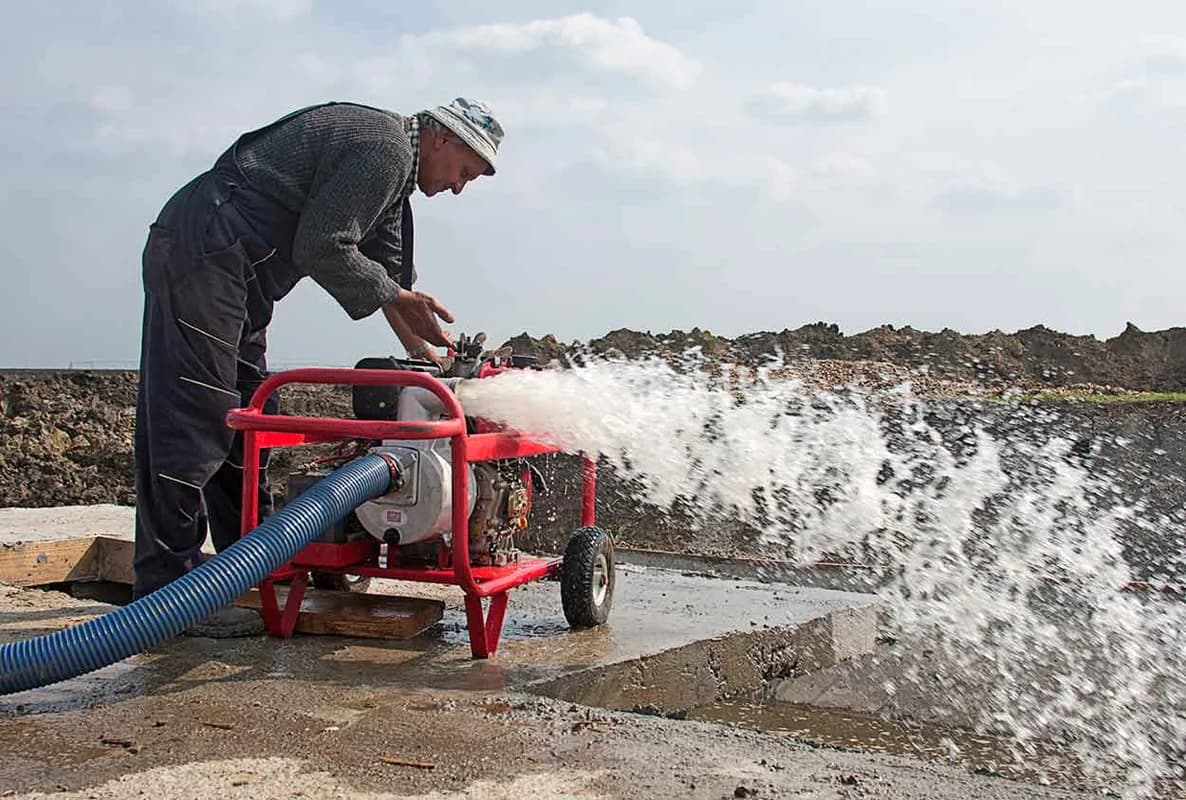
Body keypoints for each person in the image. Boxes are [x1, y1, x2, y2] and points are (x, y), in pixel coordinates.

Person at [131, 97, 504, 637]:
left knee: (256, 415)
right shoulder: (385, 149)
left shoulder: (394, 186)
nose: (459, 187)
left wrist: (436, 361)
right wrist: (398, 298)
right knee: (199, 416)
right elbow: (322, 247)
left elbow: (390, 288)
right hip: (206, 251)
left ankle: (247, 567)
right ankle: (167, 591)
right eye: (465, 171)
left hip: (240, 274)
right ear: (442, 139)